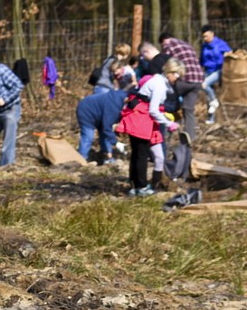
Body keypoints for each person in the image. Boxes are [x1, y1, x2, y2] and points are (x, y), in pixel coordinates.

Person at [116, 58, 185, 197]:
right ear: (171, 72)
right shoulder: (159, 84)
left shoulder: (157, 80)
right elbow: (153, 110)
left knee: (137, 154)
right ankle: (141, 188)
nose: (178, 79)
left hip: (138, 118)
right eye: (178, 75)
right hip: (142, 120)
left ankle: (135, 186)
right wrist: (168, 122)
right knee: (141, 155)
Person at [159, 33, 205, 140]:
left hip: (183, 79)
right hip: (197, 80)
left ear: (163, 41)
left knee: (167, 104)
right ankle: (190, 137)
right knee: (188, 109)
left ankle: (166, 134)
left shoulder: (168, 45)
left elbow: (166, 62)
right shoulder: (187, 45)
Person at [76, 89, 129, 163]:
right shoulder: (114, 106)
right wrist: (116, 143)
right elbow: (107, 127)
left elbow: (106, 129)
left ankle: (107, 157)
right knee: (88, 136)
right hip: (86, 111)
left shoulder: (122, 97)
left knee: (105, 135)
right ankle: (81, 159)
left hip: (100, 114)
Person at [200, 25, 232, 124]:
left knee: (204, 85)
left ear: (212, 34)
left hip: (218, 70)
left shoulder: (220, 44)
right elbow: (201, 59)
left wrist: (226, 55)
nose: (205, 38)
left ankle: (214, 101)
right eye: (204, 36)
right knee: (209, 94)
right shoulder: (204, 46)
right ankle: (211, 119)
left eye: (207, 36)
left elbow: (230, 53)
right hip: (207, 70)